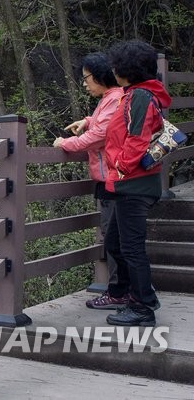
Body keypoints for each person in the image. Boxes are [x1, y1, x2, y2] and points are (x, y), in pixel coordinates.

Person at [100, 40, 169, 326]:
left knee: (131, 247)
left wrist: (119, 167)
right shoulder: (135, 95)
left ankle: (143, 307)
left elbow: (137, 139)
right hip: (129, 183)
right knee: (115, 242)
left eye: (116, 65)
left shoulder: (140, 97)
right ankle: (131, 295)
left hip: (134, 184)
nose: (113, 69)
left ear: (126, 70)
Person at [53, 53, 123, 308]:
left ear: (101, 76)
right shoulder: (110, 99)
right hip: (109, 178)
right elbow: (102, 124)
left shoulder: (114, 99)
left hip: (112, 179)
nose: (84, 83)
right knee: (113, 235)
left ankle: (119, 292)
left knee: (114, 238)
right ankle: (122, 291)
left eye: (87, 78)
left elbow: (100, 136)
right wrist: (88, 120)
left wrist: (65, 143)